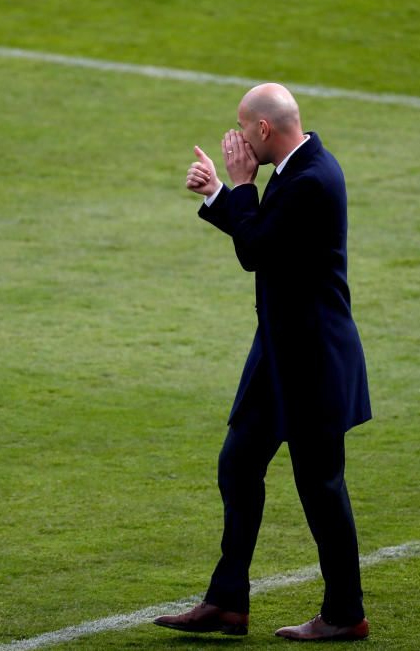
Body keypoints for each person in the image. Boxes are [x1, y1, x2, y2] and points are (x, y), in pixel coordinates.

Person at [153, 83, 372, 642]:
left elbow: (254, 252)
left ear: (263, 131)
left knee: (321, 487)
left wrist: (240, 185)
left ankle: (345, 614)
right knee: (238, 463)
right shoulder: (299, 171)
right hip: (278, 354)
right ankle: (227, 602)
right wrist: (219, 195)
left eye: (242, 129)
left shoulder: (310, 180)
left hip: (312, 361)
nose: (238, 141)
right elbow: (264, 238)